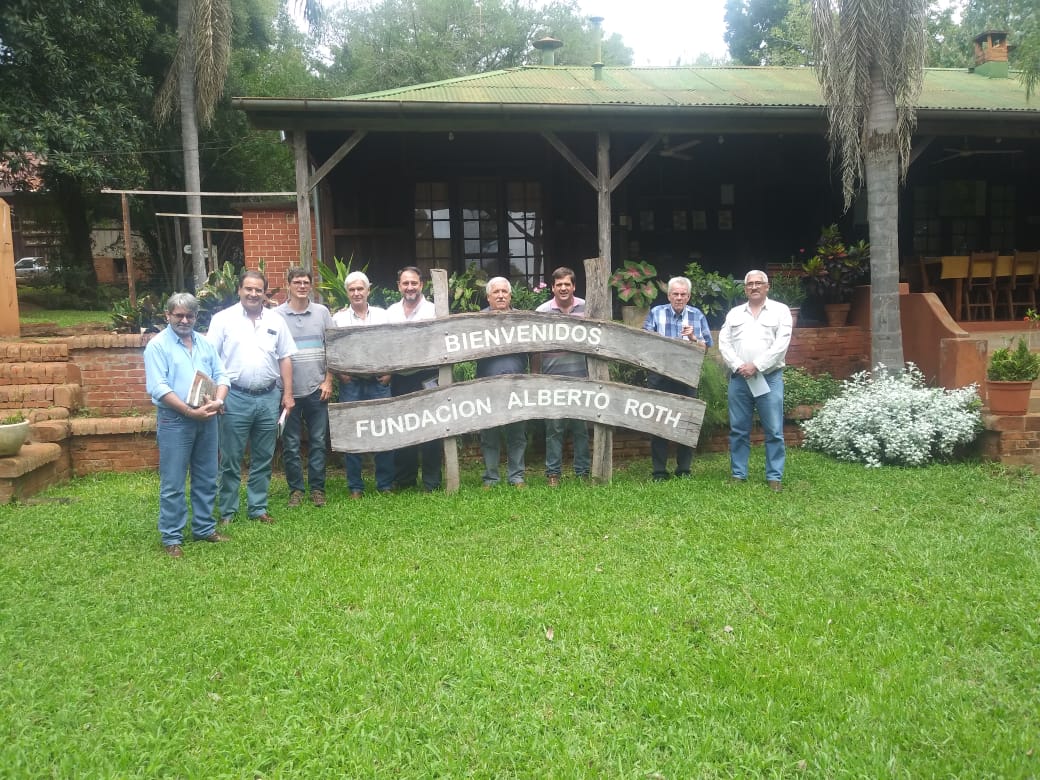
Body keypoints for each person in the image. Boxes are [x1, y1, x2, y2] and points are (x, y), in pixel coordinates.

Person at [206, 269, 297, 524]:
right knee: (231, 458)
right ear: (239, 290)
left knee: (263, 458)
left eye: (258, 290)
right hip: (234, 397)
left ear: (265, 293)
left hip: (269, 397)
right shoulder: (222, 319)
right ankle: (228, 511)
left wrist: (287, 395)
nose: (253, 294)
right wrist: (216, 396)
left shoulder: (276, 320)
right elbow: (210, 359)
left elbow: (285, 357)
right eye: (249, 289)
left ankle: (258, 508)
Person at [144, 293, 230, 558]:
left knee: (207, 477)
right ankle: (172, 537)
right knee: (173, 482)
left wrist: (218, 401)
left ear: (196, 317)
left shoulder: (204, 344)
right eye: (178, 315)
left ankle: (204, 528)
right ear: (167, 316)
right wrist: (188, 412)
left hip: (207, 418)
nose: (184, 320)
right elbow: (158, 387)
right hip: (175, 420)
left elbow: (222, 375)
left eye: (189, 315)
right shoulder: (157, 346)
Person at [718, 269, 793, 492]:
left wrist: (756, 366)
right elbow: (724, 343)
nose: (754, 287)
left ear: (767, 287)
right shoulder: (734, 314)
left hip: (769, 379)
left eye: (758, 283)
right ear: (745, 288)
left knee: (774, 430)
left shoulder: (780, 311)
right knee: (739, 429)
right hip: (740, 379)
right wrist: (739, 366)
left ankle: (774, 476)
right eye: (750, 284)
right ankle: (738, 473)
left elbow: (781, 345)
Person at [642, 276, 713, 481]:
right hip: (660, 375)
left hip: (687, 376)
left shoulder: (697, 315)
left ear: (688, 296)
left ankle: (683, 469)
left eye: (683, 294)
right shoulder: (656, 312)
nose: (679, 298)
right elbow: (645, 342)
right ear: (669, 295)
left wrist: (693, 339)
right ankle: (659, 471)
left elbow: (706, 348)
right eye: (675, 294)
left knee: (686, 422)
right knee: (659, 421)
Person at [274, 267, 334, 508]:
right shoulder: (276, 315)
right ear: (288, 284)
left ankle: (318, 489)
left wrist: (328, 380)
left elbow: (333, 348)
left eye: (305, 282)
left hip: (317, 389)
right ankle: (296, 490)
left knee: (318, 442)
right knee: (290, 444)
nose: (301, 286)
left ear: (311, 285)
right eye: (297, 282)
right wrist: (283, 390)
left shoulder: (322, 313)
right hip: (287, 392)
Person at [332, 271, 395, 498]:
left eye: (361, 289)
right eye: (352, 290)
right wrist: (341, 375)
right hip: (352, 384)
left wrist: (389, 372)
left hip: (379, 381)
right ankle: (355, 487)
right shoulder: (337, 319)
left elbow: (393, 344)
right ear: (347, 292)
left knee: (383, 431)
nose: (357, 293)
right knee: (352, 434)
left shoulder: (382, 315)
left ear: (368, 290)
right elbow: (332, 350)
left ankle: (385, 484)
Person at [386, 266, 443, 492]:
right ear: (399, 286)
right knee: (403, 426)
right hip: (400, 377)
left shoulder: (434, 310)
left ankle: (431, 481)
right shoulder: (390, 312)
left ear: (422, 285)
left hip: (428, 375)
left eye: (414, 283)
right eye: (405, 283)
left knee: (431, 427)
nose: (410, 287)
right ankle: (405, 479)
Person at [534, 267, 590, 487]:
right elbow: (535, 348)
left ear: (574, 286)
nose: (563, 288)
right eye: (559, 285)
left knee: (581, 429)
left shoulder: (587, 307)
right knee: (554, 429)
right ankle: (553, 475)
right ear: (553, 287)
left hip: (581, 377)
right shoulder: (542, 311)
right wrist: (536, 377)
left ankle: (583, 472)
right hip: (552, 380)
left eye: (567, 284)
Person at [476, 277, 529, 489]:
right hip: (486, 385)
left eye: (504, 292)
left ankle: (516, 477)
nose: (500, 295)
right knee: (489, 433)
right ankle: (491, 478)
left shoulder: (521, 320)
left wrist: (533, 377)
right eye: (495, 292)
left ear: (510, 295)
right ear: (488, 297)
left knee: (517, 433)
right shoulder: (474, 322)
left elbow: (534, 349)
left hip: (517, 385)